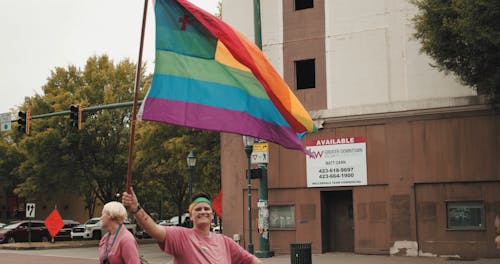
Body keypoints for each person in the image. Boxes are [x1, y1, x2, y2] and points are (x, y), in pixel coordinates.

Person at [122, 188, 262, 264]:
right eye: (198, 209)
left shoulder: (225, 242)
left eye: (207, 209)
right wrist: (136, 209)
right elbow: (155, 230)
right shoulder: (182, 237)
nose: (203, 212)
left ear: (212, 215)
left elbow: (250, 260)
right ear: (191, 215)